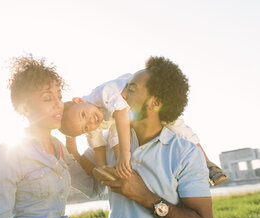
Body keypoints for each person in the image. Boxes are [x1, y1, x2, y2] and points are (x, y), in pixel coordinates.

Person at [87, 56, 214, 218]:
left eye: (131, 90)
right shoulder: (110, 143)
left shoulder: (185, 154)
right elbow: (75, 175)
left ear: (155, 103)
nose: (121, 96)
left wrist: (146, 197)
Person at [0, 55, 100, 218]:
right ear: (25, 108)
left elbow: (94, 188)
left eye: (60, 97)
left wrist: (100, 133)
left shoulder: (60, 150)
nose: (58, 104)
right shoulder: (11, 151)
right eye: (47, 98)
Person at [60, 73, 227, 186]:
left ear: (78, 100)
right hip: (131, 112)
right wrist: (103, 168)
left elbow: (121, 115)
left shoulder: (103, 93)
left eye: (83, 115)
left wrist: (124, 154)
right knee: (113, 135)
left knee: (175, 124)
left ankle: (208, 163)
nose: (90, 122)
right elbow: (98, 147)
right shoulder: (93, 122)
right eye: (85, 128)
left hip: (143, 94)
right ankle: (126, 171)